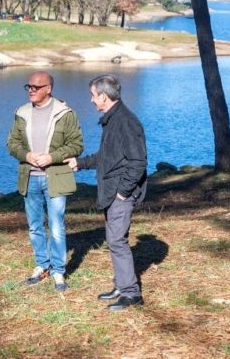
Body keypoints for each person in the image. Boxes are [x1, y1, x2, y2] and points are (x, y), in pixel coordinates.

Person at [64, 74, 147, 311]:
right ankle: (122, 285)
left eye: (93, 95)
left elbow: (137, 161)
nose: (91, 100)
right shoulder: (112, 119)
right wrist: (80, 163)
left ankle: (132, 294)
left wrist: (123, 192)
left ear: (103, 95)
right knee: (114, 240)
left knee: (117, 241)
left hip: (119, 193)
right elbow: (107, 157)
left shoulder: (126, 122)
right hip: (111, 191)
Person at [7, 71, 83, 292]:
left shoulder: (65, 113)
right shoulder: (21, 113)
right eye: (28, 86)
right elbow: (11, 143)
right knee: (34, 226)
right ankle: (42, 265)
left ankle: (58, 271)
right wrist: (26, 156)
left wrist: (52, 157)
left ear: (48, 89)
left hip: (55, 179)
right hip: (30, 178)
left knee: (57, 226)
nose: (31, 90)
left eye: (35, 87)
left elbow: (76, 145)